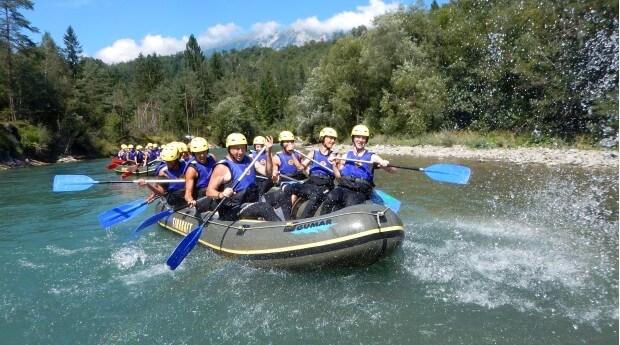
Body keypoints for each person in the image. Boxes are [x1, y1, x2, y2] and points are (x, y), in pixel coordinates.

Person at [320, 125, 396, 215]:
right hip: (344, 187)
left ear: (366, 140)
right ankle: (322, 222)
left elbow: (393, 170)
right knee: (330, 197)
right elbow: (339, 178)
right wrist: (334, 165)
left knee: (350, 204)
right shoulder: (345, 157)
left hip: (359, 190)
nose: (360, 140)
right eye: (358, 137)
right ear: (353, 138)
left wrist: (384, 164)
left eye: (363, 138)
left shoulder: (372, 157)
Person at [206, 133, 281, 221]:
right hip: (233, 208)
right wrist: (221, 194)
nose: (241, 152)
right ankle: (282, 232)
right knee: (264, 207)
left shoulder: (249, 160)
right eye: (237, 149)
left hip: (253, 201)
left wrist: (268, 152)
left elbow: (268, 173)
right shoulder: (222, 167)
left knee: (281, 195)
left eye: (243, 148)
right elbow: (209, 192)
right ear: (229, 148)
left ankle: (287, 225)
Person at [281, 127, 339, 219]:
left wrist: (335, 163)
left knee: (315, 196)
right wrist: (292, 153)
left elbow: (339, 177)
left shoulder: (335, 155)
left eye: (334, 139)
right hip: (311, 183)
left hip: (325, 186)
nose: (332, 141)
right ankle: (286, 218)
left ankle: (302, 221)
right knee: (289, 188)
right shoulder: (313, 153)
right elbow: (300, 167)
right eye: (330, 138)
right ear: (323, 138)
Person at [183, 137, 218, 213]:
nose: (202, 155)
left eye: (204, 152)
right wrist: (190, 200)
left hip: (215, 191)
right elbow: (188, 193)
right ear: (193, 153)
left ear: (207, 151)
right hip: (202, 197)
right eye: (198, 153)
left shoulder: (212, 157)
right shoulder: (191, 170)